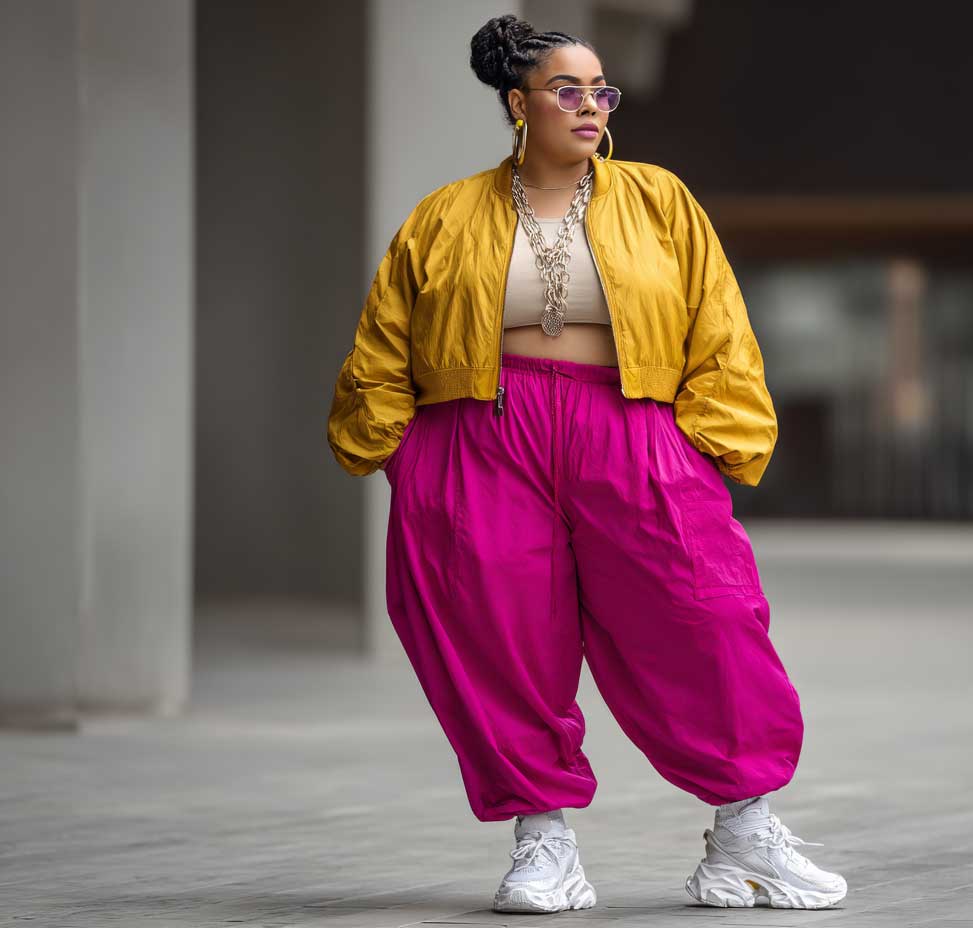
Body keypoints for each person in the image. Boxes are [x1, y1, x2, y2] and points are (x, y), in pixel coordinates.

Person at [326, 12, 847, 915]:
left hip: (631, 428)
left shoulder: (659, 199)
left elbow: (718, 322)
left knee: (706, 615)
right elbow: (384, 341)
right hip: (481, 436)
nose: (592, 105)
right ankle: (544, 844)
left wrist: (706, 445)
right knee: (498, 632)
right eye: (568, 90)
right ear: (517, 104)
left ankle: (745, 837)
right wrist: (403, 453)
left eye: (601, 90)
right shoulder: (444, 215)